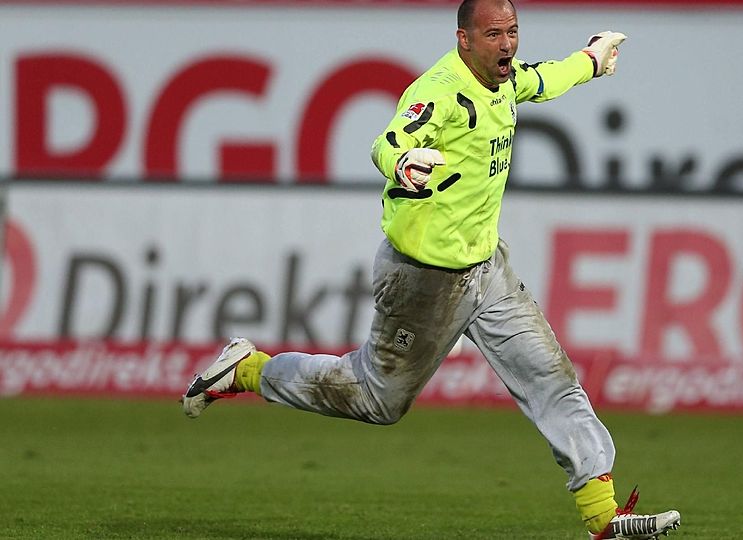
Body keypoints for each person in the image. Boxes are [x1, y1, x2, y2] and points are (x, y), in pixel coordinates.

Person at [181, 0, 681, 538]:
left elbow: (545, 79)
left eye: (513, 31)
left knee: (551, 378)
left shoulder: (505, 81)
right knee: (378, 400)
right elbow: (389, 140)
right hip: (423, 278)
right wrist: (404, 163)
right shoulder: (438, 91)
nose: (507, 44)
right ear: (464, 40)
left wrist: (589, 58)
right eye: (494, 34)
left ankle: (602, 518)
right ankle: (248, 369)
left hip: (486, 269)